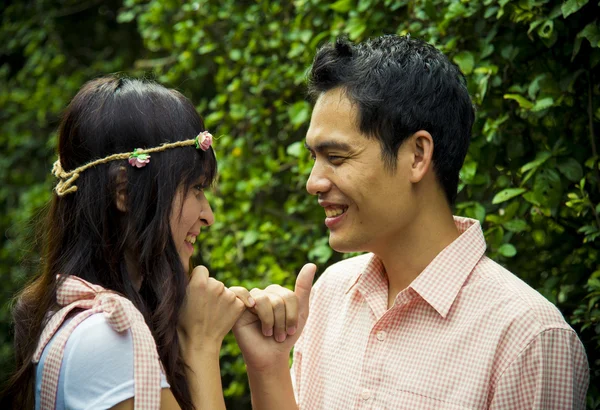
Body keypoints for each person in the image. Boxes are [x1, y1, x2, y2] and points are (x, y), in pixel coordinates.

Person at [232, 35, 590, 409]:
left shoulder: (529, 338)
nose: (313, 182)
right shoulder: (330, 294)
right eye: (313, 158)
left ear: (417, 155)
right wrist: (269, 367)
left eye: (336, 157)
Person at [0, 76, 314, 410]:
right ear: (124, 192)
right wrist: (202, 345)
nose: (208, 215)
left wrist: (267, 366)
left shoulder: (77, 317)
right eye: (195, 188)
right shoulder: (107, 336)